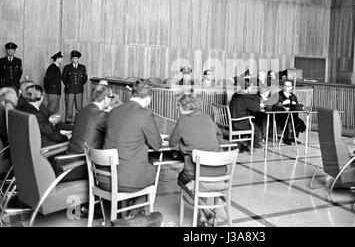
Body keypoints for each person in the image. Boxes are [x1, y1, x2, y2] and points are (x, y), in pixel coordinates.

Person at [102, 80, 163, 213]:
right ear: (147, 99)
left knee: (134, 167)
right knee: (153, 171)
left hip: (104, 178)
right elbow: (157, 145)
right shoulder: (145, 114)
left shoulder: (114, 111)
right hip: (127, 180)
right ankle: (134, 213)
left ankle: (127, 211)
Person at [169, 93, 226, 226]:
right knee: (199, 180)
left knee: (182, 180)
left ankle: (205, 210)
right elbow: (219, 136)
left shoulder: (182, 120)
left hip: (195, 172)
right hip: (219, 171)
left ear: (182, 107)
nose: (178, 109)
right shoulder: (207, 117)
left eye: (178, 107)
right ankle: (203, 217)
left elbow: (172, 143)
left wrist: (183, 146)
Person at [67, 84, 112, 155]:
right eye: (111, 97)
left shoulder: (83, 110)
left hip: (70, 153)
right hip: (85, 159)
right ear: (106, 99)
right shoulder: (101, 115)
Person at [228, 78, 263, 152]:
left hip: (232, 121)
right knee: (256, 127)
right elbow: (256, 107)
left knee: (254, 120)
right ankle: (254, 146)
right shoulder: (245, 97)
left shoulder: (236, 94)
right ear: (249, 87)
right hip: (239, 123)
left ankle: (242, 143)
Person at [274, 80, 306, 145]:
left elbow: (296, 105)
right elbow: (274, 106)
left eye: (288, 86)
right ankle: (286, 138)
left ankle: (293, 138)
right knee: (286, 122)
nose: (286, 87)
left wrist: (298, 105)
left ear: (291, 87)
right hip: (281, 115)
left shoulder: (293, 96)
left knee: (299, 122)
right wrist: (283, 103)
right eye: (285, 86)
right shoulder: (278, 94)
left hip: (292, 115)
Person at [62, 50, 87, 124]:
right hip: (70, 90)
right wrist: (68, 84)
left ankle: (78, 121)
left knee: (79, 107)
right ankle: (68, 121)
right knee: (69, 107)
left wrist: (79, 84)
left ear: (78, 59)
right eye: (73, 58)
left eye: (76, 58)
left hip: (79, 90)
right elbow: (64, 78)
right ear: (71, 59)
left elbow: (84, 78)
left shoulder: (82, 67)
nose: (75, 59)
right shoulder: (67, 67)